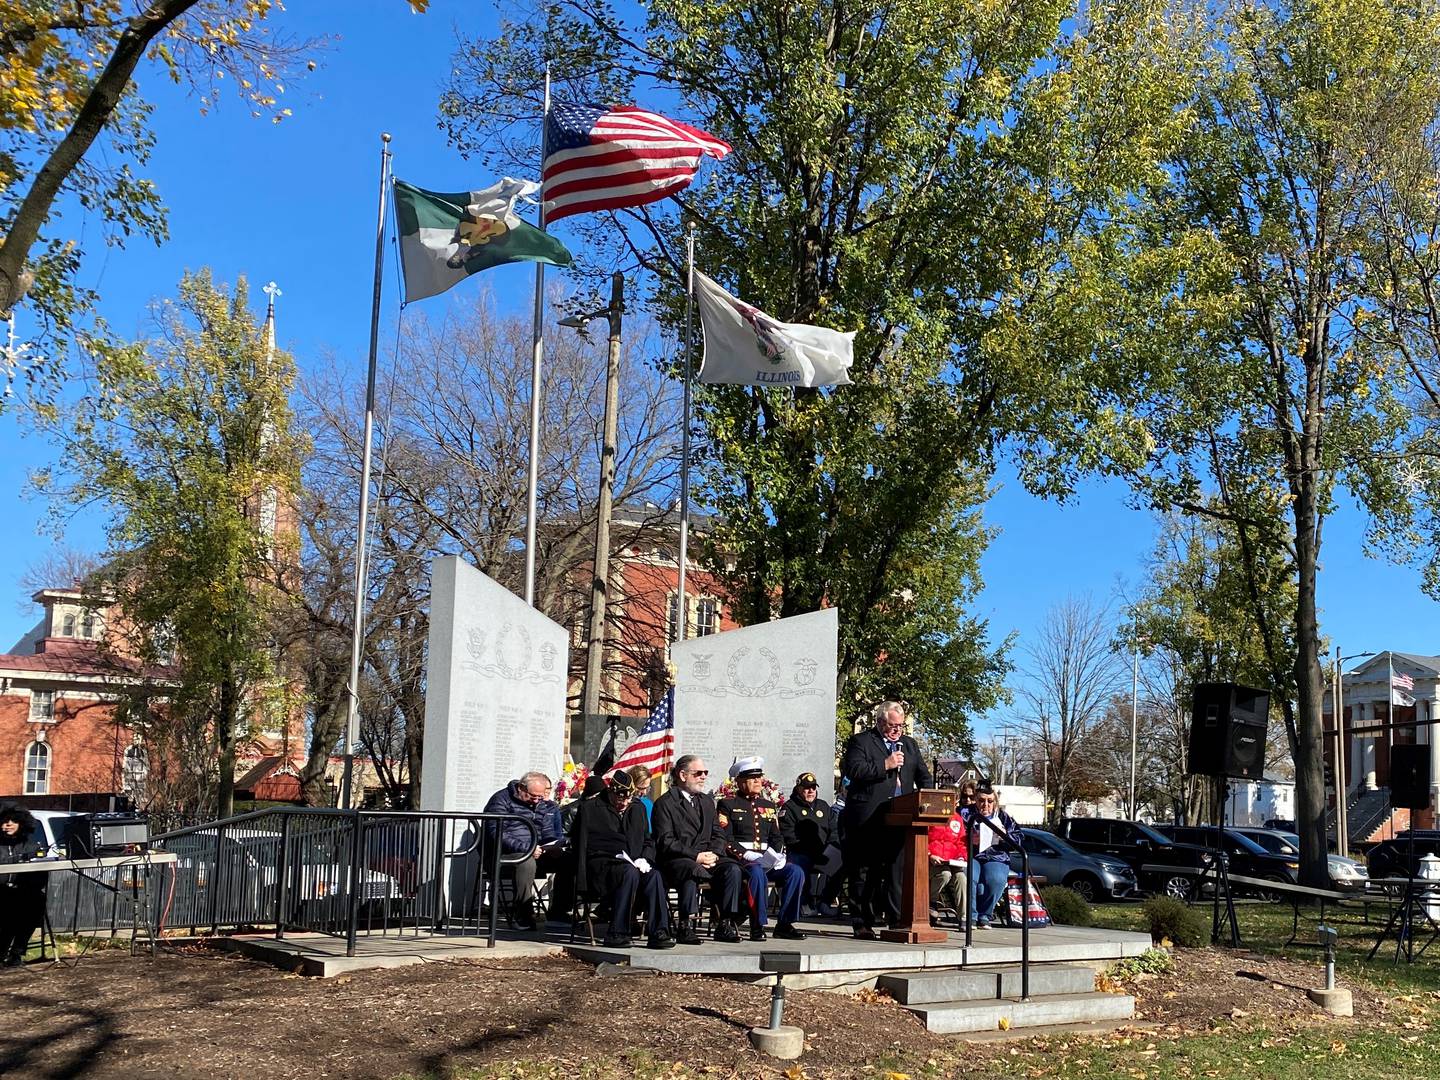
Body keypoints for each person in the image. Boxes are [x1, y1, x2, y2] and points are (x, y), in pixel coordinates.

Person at [840, 700, 932, 938]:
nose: (896, 730)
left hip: (901, 817)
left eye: (900, 726)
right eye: (892, 726)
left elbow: (923, 775)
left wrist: (929, 795)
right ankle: (862, 922)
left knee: (896, 870)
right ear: (880, 722)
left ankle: (896, 919)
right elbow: (854, 770)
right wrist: (886, 764)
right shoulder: (861, 742)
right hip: (868, 816)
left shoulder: (909, 745)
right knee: (864, 870)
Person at [574, 770, 674, 949]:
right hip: (603, 865)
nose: (625, 803)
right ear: (611, 792)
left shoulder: (637, 808)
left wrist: (645, 858)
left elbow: (647, 840)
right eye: (621, 799)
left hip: (634, 862)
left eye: (628, 799)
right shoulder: (591, 809)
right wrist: (581, 882)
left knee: (654, 876)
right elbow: (580, 844)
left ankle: (659, 931)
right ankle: (617, 932)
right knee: (628, 873)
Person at [653, 754, 743, 943]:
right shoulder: (665, 803)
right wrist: (697, 856)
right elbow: (665, 841)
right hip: (678, 859)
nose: (703, 777)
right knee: (691, 869)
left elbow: (719, 833)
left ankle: (724, 923)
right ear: (683, 775)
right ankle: (684, 925)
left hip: (709, 857)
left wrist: (714, 854)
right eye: (698, 773)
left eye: (705, 773)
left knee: (732, 869)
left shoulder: (706, 801)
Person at [716, 758, 807, 941]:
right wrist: (746, 854)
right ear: (740, 782)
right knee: (756, 872)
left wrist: (778, 854)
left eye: (759, 777)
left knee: (795, 872)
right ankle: (757, 924)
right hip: (744, 862)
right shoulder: (728, 804)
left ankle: (785, 924)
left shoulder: (768, 806)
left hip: (768, 860)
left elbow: (776, 836)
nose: (758, 781)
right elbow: (726, 838)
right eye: (753, 778)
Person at [483, 771, 566, 930]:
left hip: (537, 850)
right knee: (526, 863)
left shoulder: (541, 804)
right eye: (532, 796)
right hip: (505, 853)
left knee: (568, 860)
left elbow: (547, 831)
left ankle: (559, 911)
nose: (536, 801)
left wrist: (553, 845)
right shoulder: (501, 800)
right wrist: (527, 848)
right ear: (521, 788)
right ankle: (523, 914)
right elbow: (496, 832)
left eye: (540, 797)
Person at [780, 771, 841, 916]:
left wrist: (831, 846)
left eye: (813, 787)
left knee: (842, 861)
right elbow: (788, 835)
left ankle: (825, 900)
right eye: (807, 788)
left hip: (824, 851)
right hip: (801, 852)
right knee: (800, 863)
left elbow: (834, 830)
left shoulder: (823, 806)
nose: (811, 791)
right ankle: (805, 902)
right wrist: (809, 849)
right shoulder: (789, 808)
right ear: (798, 788)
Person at [962, 784, 1023, 929]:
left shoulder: (1003, 816)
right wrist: (968, 838)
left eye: (990, 801)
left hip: (996, 855)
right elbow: (954, 833)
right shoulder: (966, 814)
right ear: (975, 800)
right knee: (969, 876)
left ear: (995, 801)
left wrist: (1005, 837)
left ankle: (985, 915)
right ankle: (971, 916)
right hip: (972, 854)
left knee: (995, 879)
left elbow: (1018, 838)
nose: (986, 804)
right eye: (981, 800)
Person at [0, 803, 47, 967]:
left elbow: (41, 875)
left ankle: (17, 953)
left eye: (13, 820)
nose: (8, 824)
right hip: (1, 893)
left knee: (35, 902)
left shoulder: (32, 846)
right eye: (5, 820)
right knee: (7, 912)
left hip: (22, 894)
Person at [927, 805, 967, 923]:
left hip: (952, 861)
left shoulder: (957, 819)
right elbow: (923, 839)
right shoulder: (931, 816)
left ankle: (963, 917)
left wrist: (961, 857)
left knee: (961, 878)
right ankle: (932, 902)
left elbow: (961, 842)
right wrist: (930, 855)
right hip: (933, 861)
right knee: (945, 874)